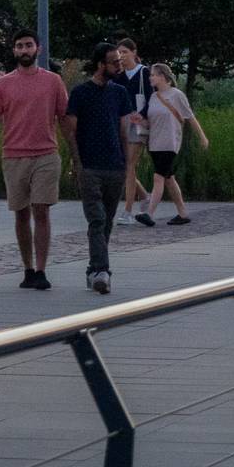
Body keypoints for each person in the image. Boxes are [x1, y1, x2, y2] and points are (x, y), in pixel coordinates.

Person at [0, 30, 69, 291]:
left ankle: (41, 269)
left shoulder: (53, 81)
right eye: (19, 46)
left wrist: (74, 150)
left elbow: (64, 117)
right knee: (21, 213)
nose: (24, 50)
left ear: (38, 49)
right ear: (14, 50)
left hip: (46, 153)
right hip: (14, 154)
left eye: (28, 45)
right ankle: (28, 268)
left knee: (41, 209)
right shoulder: (3, 84)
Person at [62, 43, 136, 296]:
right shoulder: (80, 93)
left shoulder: (120, 93)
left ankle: (92, 269)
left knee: (106, 222)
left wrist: (127, 164)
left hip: (114, 166)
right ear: (100, 65)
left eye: (120, 61)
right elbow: (70, 131)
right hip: (90, 166)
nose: (119, 65)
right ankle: (102, 272)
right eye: (114, 62)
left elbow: (125, 131)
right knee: (97, 219)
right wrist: (77, 163)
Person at [137, 63, 209, 225]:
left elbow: (190, 117)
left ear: (162, 76)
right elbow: (151, 121)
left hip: (170, 143)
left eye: (153, 75)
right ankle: (183, 214)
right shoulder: (153, 97)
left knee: (158, 177)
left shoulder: (177, 95)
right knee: (168, 178)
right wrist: (140, 121)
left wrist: (202, 137)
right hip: (154, 144)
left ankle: (149, 213)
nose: (150, 78)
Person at [114, 38, 155, 227]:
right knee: (124, 165)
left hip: (137, 124)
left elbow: (151, 97)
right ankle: (145, 196)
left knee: (129, 164)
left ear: (133, 52)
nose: (122, 56)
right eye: (119, 53)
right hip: (122, 123)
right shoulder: (119, 76)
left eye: (125, 52)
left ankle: (128, 210)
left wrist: (142, 114)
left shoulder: (144, 72)